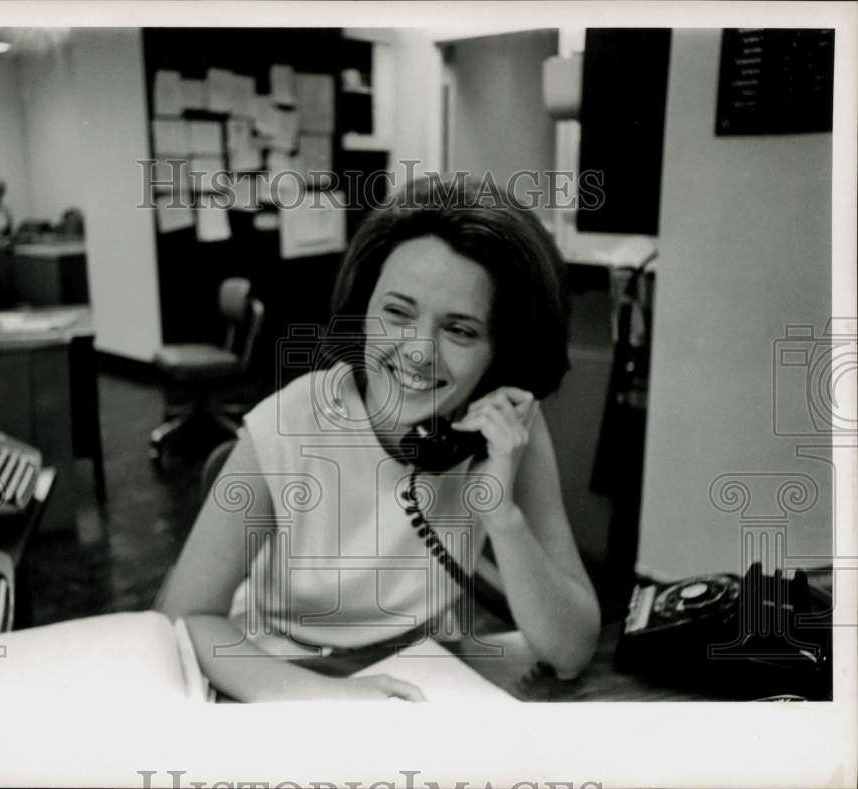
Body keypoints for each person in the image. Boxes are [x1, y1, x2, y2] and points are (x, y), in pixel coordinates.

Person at [158, 175, 601, 701]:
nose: (417, 352)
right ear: (365, 309)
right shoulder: (294, 417)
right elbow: (180, 617)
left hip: (424, 681)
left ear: (500, 355)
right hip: (282, 676)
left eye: (460, 330)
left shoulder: (507, 430)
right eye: (397, 312)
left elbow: (570, 653)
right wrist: (333, 700)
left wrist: (500, 513)